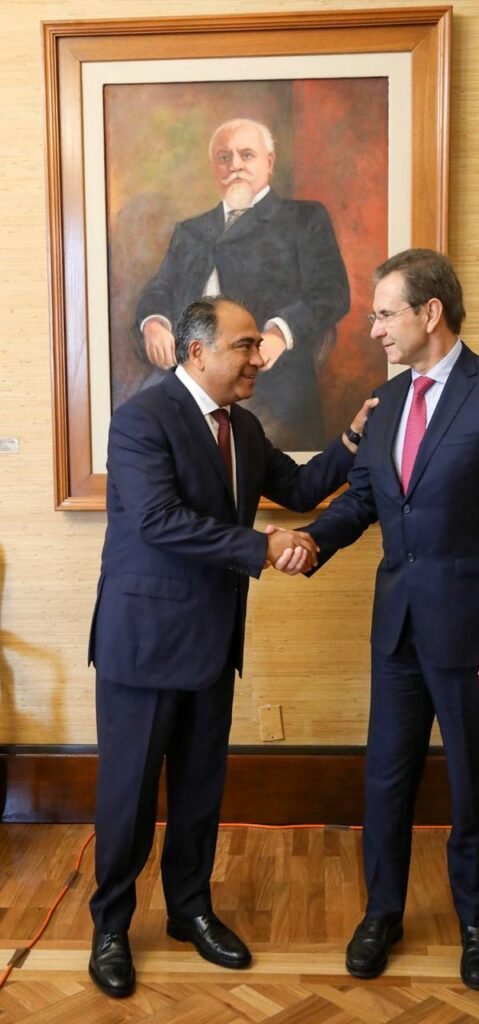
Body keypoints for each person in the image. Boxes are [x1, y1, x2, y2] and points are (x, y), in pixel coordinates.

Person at [87, 295, 376, 999]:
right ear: (197, 352)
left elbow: (299, 487)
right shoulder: (141, 419)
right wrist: (263, 546)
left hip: (213, 640)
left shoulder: (242, 426)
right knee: (128, 796)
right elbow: (159, 520)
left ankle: (189, 909)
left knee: (199, 789)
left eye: (256, 345)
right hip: (143, 643)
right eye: (245, 346)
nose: (258, 358)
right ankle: (111, 928)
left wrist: (352, 440)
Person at [298, 249, 479, 991]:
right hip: (398, 631)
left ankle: (478, 922)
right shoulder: (385, 403)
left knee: (476, 781)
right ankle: (381, 913)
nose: (374, 329)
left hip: (476, 637)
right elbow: (364, 500)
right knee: (385, 778)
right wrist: (311, 542)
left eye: (385, 314)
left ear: (430, 312)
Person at [135, 117, 350, 450]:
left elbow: (330, 292)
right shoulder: (191, 231)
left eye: (246, 155)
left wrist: (280, 332)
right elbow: (160, 288)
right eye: (224, 157)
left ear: (269, 162)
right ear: (214, 168)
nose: (235, 165)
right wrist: (154, 323)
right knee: (140, 428)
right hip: (188, 371)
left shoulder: (302, 219)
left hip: (267, 374)